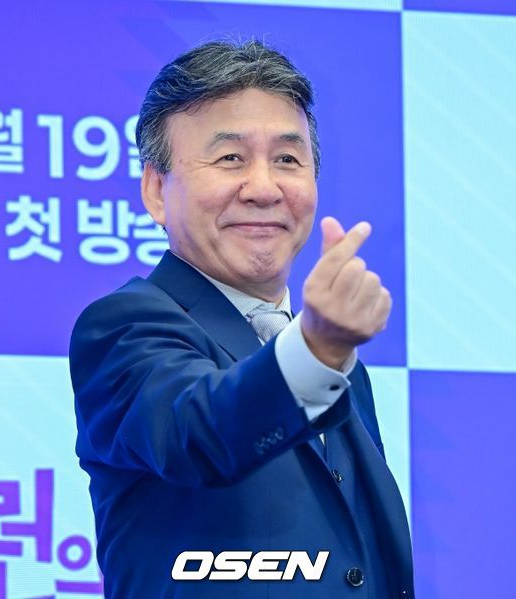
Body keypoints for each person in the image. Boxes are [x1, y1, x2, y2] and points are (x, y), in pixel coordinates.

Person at [69, 39, 414, 598]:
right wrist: (317, 349)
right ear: (156, 190)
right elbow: (201, 432)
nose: (263, 188)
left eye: (287, 159)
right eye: (230, 158)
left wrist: (321, 351)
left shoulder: (331, 360)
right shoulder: (122, 327)